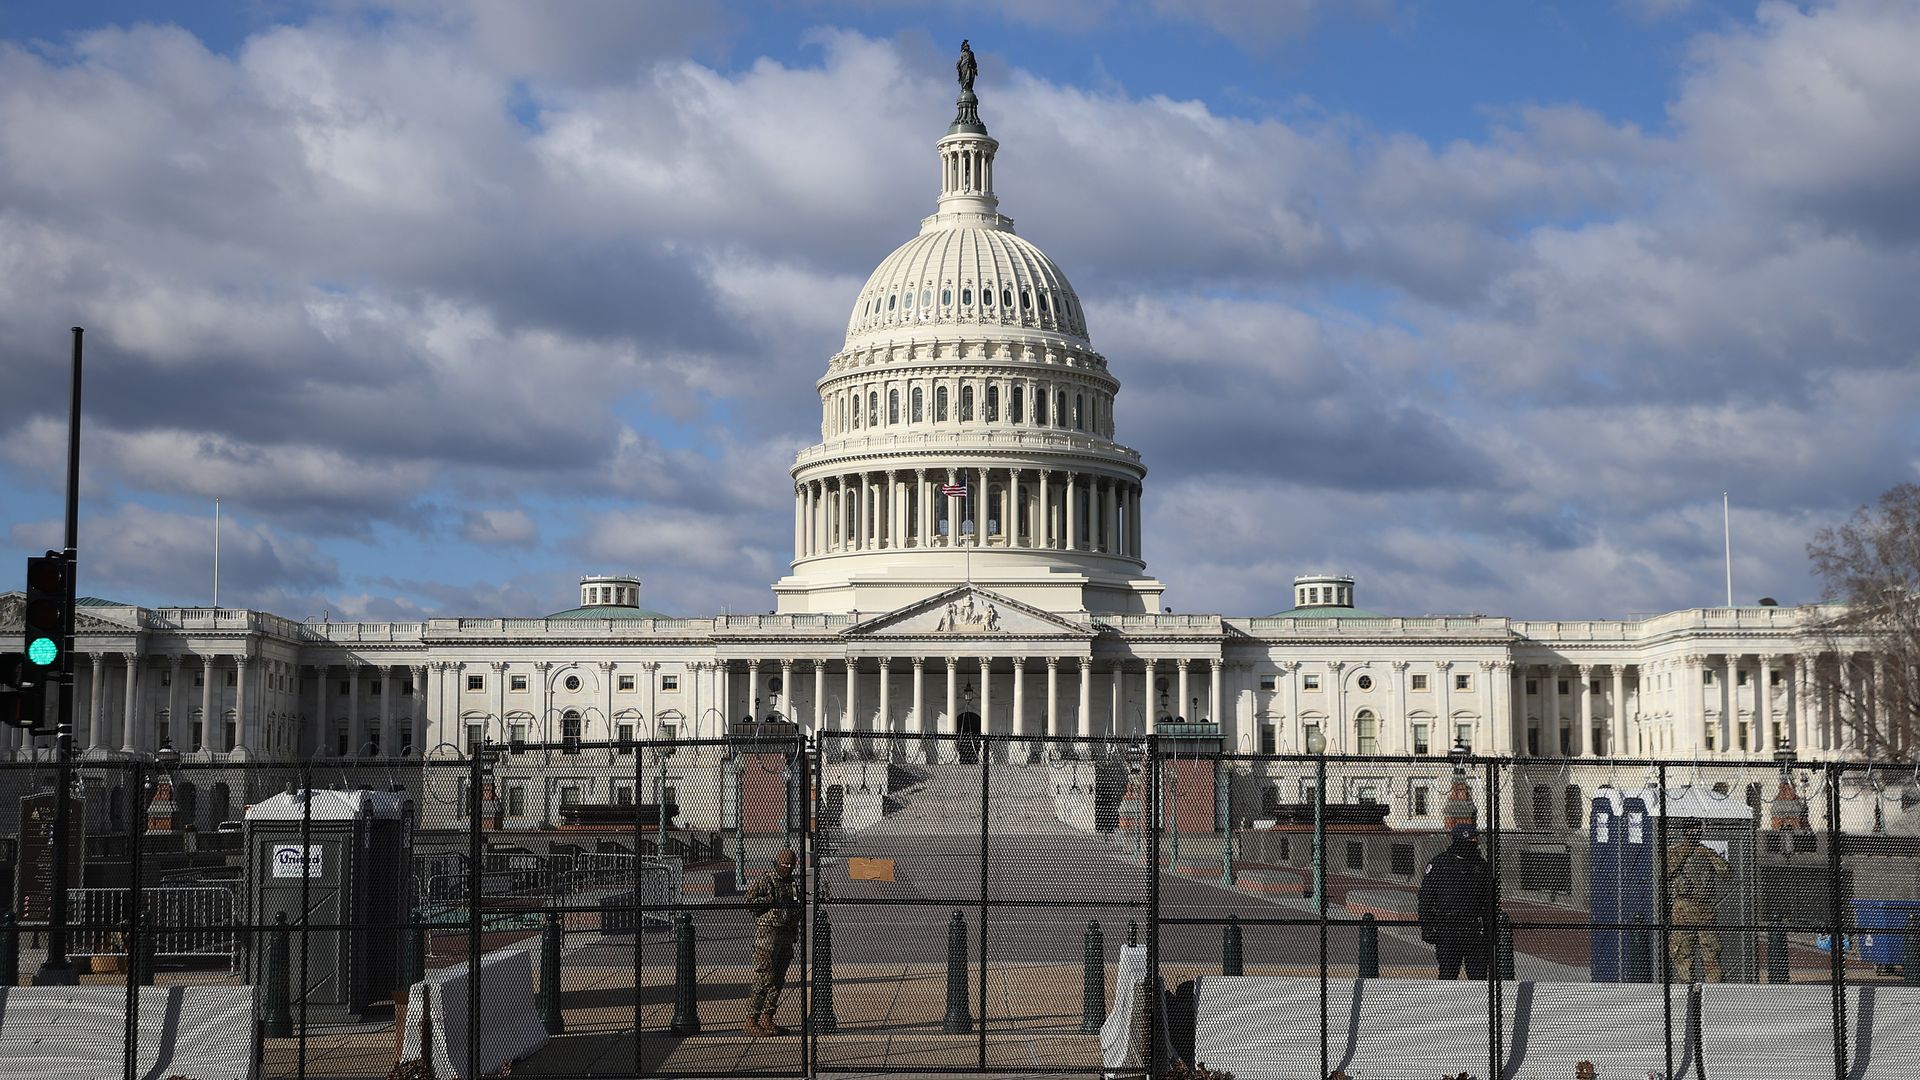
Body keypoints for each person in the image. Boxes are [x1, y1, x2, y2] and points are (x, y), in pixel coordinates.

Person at [1417, 822, 1494, 979]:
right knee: (1448, 976)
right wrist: (1426, 926)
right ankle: (1446, 1004)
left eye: (1475, 841)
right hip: (1448, 927)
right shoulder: (1440, 863)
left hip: (1474, 927)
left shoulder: (1481, 865)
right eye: (1470, 841)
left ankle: (1477, 1003)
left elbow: (1489, 901)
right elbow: (1425, 897)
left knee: (1478, 977)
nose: (1474, 844)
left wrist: (1490, 929)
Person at [744, 847, 802, 1036]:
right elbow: (748, 902)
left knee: (778, 981)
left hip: (785, 936)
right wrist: (770, 899)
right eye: (784, 864)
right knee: (764, 979)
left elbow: (796, 906)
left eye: (791, 865)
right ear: (777, 863)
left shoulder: (792, 883)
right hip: (767, 938)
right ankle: (751, 1020)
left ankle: (767, 1018)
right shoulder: (766, 879)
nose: (787, 868)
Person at [1665, 818, 1730, 982]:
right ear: (1684, 831)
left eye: (1696, 829)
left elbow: (1726, 873)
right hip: (1683, 908)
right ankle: (1688, 988)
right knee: (1682, 953)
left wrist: (1708, 854)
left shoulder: (1706, 852)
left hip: (1704, 908)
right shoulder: (1676, 851)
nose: (1693, 832)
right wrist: (1683, 853)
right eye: (1690, 829)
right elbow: (1665, 872)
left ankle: (1712, 989)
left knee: (1711, 951)